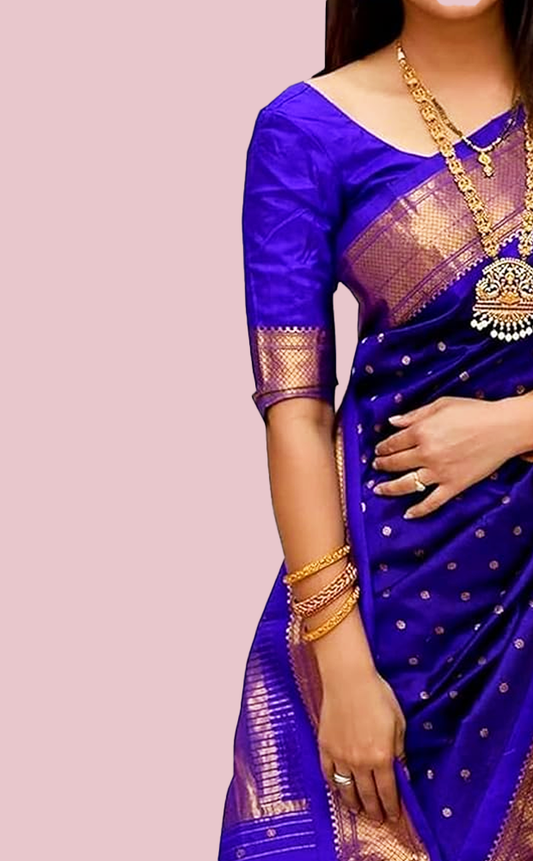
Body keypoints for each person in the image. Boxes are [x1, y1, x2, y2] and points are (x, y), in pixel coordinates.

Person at [217, 2, 533, 859]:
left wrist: (513, 424)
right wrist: (342, 665)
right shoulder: (305, 131)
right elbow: (296, 409)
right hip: (393, 605)